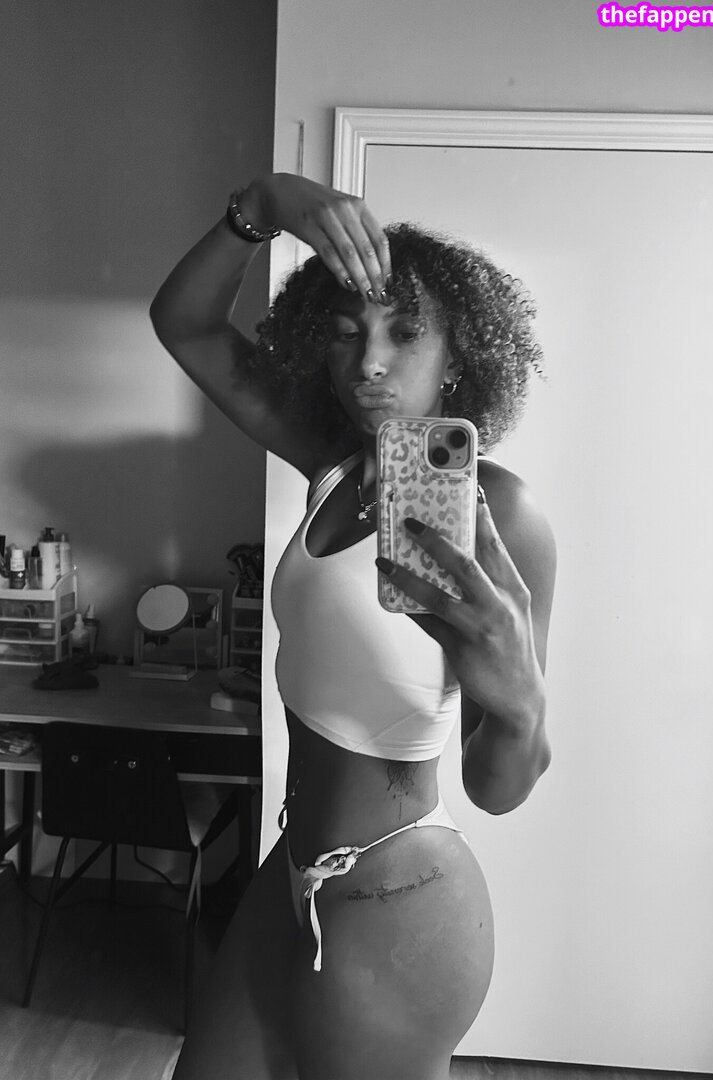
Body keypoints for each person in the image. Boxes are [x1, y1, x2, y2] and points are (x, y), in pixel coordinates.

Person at [150, 172, 556, 1080]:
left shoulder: (498, 513)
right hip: (290, 869)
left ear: (457, 356)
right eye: (345, 333)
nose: (370, 361)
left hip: (400, 899)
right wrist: (262, 208)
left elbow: (498, 789)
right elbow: (186, 325)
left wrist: (520, 705)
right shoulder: (332, 469)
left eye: (404, 333)